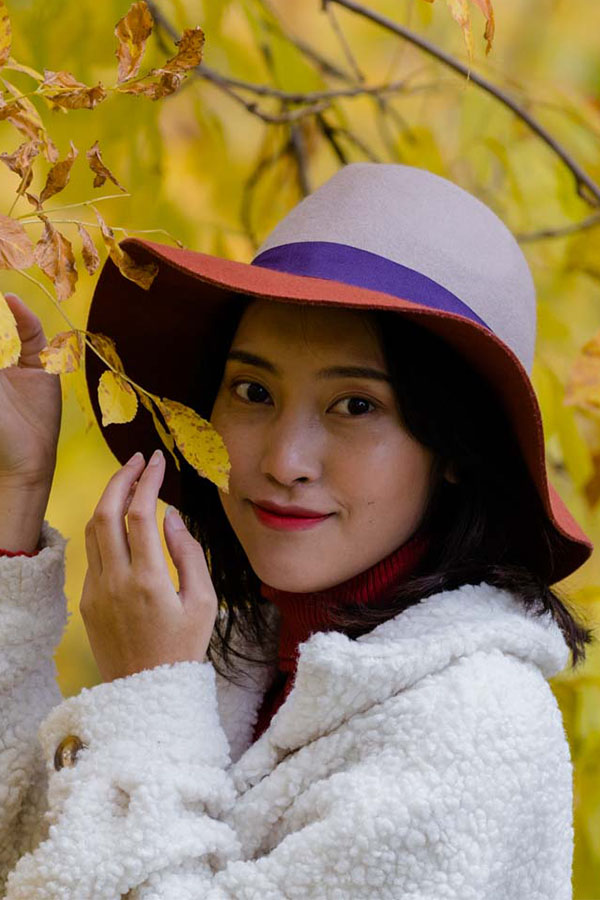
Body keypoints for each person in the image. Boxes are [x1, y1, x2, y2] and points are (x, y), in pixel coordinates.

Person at [0, 163, 595, 899]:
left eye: (355, 405)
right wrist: (13, 497)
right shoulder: (244, 661)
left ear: (454, 449)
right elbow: (40, 861)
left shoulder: (473, 726)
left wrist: (148, 699)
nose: (284, 460)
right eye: (253, 391)